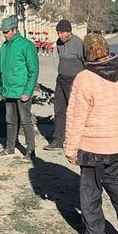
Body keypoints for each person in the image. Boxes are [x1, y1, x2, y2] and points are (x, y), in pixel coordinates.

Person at [65, 33, 118, 234]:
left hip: (93, 147)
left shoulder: (84, 79)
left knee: (90, 192)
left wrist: (71, 148)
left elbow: (75, 117)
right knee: (117, 185)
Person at [0, 16, 39, 161]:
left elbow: (33, 70)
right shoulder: (4, 47)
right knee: (10, 120)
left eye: (6, 32)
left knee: (25, 121)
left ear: (14, 30)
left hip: (22, 92)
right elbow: (1, 70)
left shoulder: (26, 45)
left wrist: (28, 91)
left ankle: (31, 150)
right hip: (8, 91)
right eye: (3, 32)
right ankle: (10, 148)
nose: (4, 34)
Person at [44, 19, 85, 150]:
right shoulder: (59, 43)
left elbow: (86, 63)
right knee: (59, 110)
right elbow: (59, 59)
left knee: (74, 112)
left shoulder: (78, 44)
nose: (59, 35)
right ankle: (58, 139)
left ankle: (77, 140)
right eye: (58, 33)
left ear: (69, 32)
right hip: (61, 80)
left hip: (75, 81)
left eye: (62, 33)